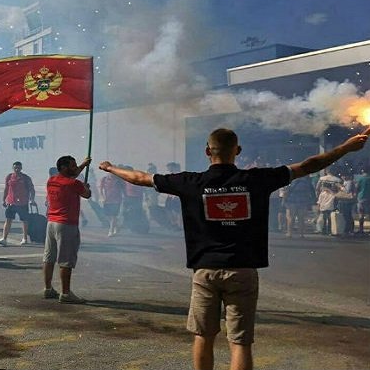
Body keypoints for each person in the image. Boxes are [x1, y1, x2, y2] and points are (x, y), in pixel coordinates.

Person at [99, 127, 370, 370]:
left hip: (205, 271)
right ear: (237, 151)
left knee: (203, 336)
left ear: (208, 152)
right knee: (240, 342)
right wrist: (346, 147)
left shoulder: (190, 182)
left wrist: (111, 168)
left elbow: (140, 178)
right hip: (243, 270)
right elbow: (311, 165)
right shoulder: (257, 179)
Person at [42, 155, 91, 304]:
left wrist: (83, 164)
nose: (75, 168)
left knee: (49, 257)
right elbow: (87, 195)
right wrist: (86, 188)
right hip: (67, 224)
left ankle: (48, 289)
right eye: (72, 165)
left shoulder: (51, 180)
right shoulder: (74, 184)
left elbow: (73, 175)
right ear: (64, 167)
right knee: (66, 260)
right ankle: (66, 293)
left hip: (51, 222)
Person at [0, 161, 35, 246]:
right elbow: (6, 189)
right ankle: (4, 238)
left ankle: (24, 238)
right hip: (11, 203)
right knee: (8, 220)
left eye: (18, 168)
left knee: (24, 221)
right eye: (15, 168)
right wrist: (3, 200)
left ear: (21, 168)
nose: (17, 169)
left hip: (22, 203)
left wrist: (32, 200)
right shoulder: (9, 177)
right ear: (13, 168)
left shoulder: (26, 178)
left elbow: (32, 189)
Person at [99, 172, 124, 236]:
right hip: (107, 200)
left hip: (116, 200)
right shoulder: (104, 179)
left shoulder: (118, 180)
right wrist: (102, 197)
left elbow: (123, 189)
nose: (111, 174)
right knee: (107, 215)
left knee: (113, 216)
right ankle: (116, 226)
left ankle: (111, 230)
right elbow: (100, 189)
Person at [355, 168, 370, 234]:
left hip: (361, 198)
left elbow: (357, 188)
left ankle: (361, 230)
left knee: (361, 214)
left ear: (363, 171)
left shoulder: (361, 179)